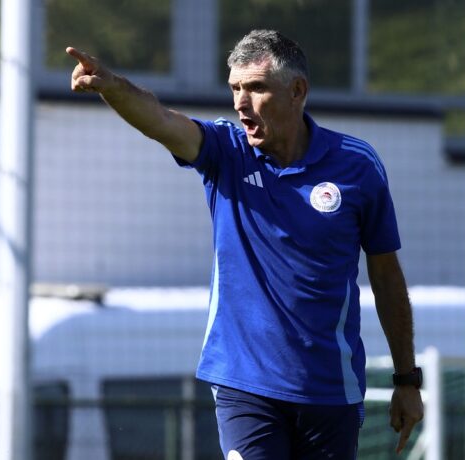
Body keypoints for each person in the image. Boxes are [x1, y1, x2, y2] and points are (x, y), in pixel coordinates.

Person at [67, 29, 423, 459]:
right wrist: (112, 86)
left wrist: (407, 380)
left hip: (331, 389)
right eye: (235, 88)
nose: (240, 102)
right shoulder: (226, 152)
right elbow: (160, 120)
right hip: (245, 385)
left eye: (255, 88)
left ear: (297, 91)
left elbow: (386, 277)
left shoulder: (357, 165)